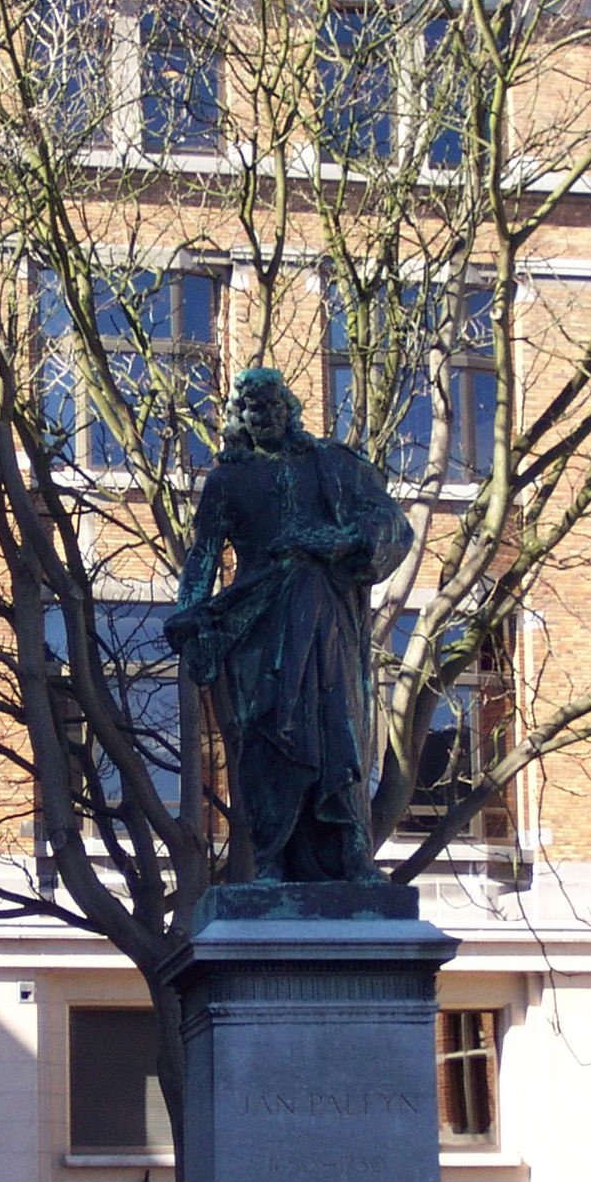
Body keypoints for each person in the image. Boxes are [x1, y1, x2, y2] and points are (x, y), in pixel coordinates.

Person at [165, 366, 412, 883]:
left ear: (289, 409)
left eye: (273, 405)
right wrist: (189, 616)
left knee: (336, 732)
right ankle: (272, 858)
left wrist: (335, 542)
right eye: (252, 408)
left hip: (326, 622)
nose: (265, 416)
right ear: (240, 418)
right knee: (265, 742)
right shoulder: (228, 480)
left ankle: (352, 852)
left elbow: (390, 522)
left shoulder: (332, 466)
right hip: (258, 626)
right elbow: (202, 558)